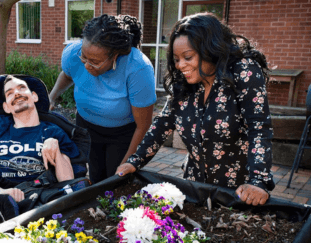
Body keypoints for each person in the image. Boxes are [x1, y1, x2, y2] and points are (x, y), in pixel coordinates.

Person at [116, 12, 275, 206]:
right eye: (176, 59)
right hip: (195, 187)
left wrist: (258, 181)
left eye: (188, 57)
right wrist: (134, 162)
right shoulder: (184, 84)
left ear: (210, 49)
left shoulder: (243, 71)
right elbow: (163, 123)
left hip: (238, 192)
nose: (181, 65)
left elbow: (258, 128)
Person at [49, 14, 157, 184]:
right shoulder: (73, 53)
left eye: (94, 61)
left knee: (116, 183)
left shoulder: (138, 69)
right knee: (96, 177)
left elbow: (143, 126)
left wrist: (127, 163)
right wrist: (52, 96)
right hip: (86, 126)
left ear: (115, 56)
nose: (86, 64)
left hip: (122, 134)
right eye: (84, 57)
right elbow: (68, 75)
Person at [0, 75, 80, 206]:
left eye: (22, 88)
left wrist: (57, 151)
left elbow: (67, 182)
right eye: (9, 93)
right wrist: (0, 192)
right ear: (6, 107)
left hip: (45, 196)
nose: (16, 93)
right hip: (8, 197)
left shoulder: (53, 131)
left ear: (34, 96)